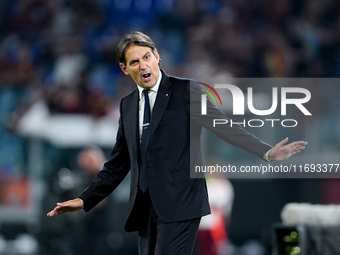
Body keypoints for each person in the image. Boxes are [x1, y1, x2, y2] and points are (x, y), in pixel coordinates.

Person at [47, 31, 307, 255]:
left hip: (181, 203)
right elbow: (118, 164)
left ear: (157, 56)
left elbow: (224, 128)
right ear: (125, 69)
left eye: (147, 57)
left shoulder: (186, 92)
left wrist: (266, 151)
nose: (144, 66)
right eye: (134, 61)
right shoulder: (127, 106)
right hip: (145, 207)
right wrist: (84, 200)